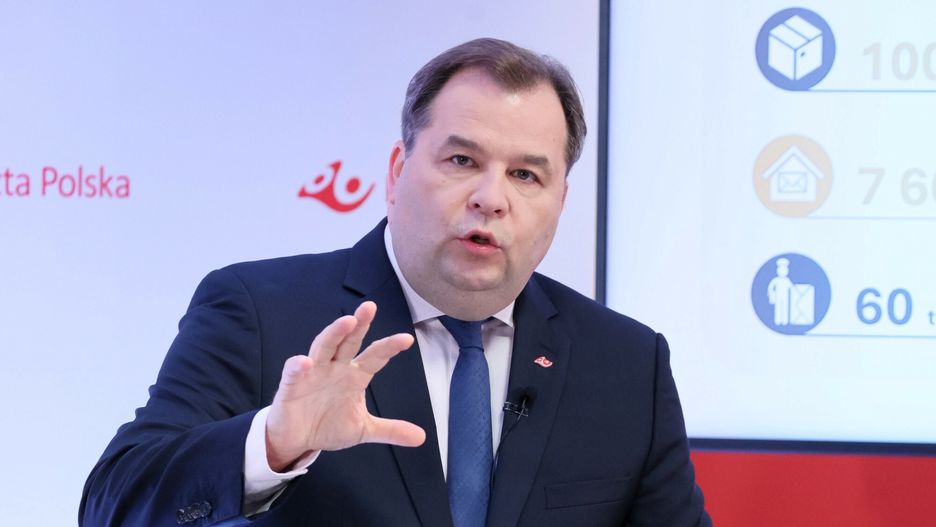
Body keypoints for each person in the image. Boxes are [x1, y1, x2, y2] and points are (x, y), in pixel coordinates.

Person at [80, 37, 711, 526]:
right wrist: (271, 446)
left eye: (526, 175)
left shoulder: (626, 363)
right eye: (462, 159)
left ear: (561, 201)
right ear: (396, 170)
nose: (491, 198)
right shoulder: (260, 314)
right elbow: (112, 506)